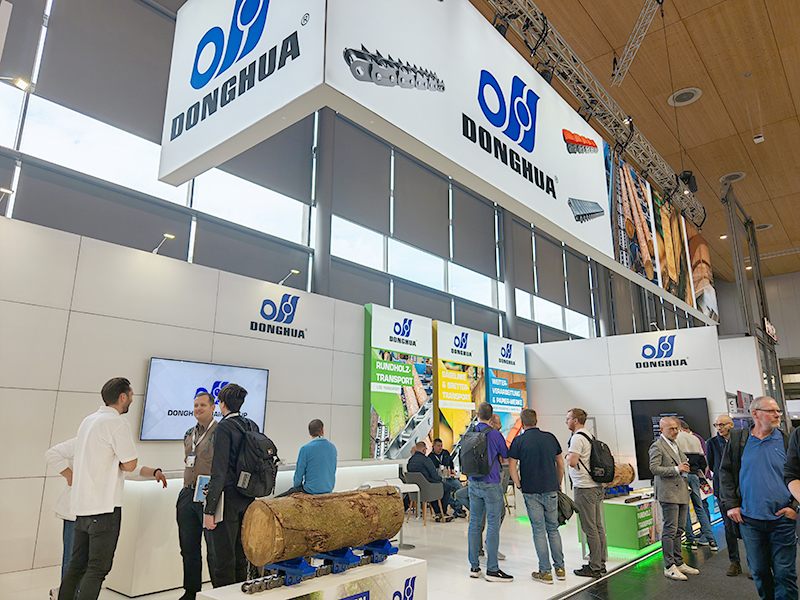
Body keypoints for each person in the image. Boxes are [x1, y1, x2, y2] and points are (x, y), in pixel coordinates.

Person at [58, 377, 167, 600]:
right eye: (131, 396)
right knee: (97, 569)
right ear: (122, 397)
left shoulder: (88, 421)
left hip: (81, 508)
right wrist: (120, 463)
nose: (132, 400)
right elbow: (130, 464)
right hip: (104, 508)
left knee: (76, 566)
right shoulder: (117, 423)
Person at [720, 397, 797, 600]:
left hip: (783, 519)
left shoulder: (787, 440)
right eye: (771, 411)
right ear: (755, 414)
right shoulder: (738, 441)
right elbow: (725, 474)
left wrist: (795, 506)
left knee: (785, 573)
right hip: (750, 519)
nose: (777, 415)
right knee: (759, 571)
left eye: (778, 411)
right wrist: (732, 505)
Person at [203, 383, 261, 587]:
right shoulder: (252, 425)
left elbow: (219, 472)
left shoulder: (224, 428)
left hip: (227, 499)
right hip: (248, 497)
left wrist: (209, 509)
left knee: (222, 558)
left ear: (222, 404)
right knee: (241, 555)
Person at [508, 409, 565, 584]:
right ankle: (560, 568)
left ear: (522, 423)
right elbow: (560, 463)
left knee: (539, 531)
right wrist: (558, 483)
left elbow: (512, 466)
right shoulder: (550, 438)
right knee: (553, 529)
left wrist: (518, 484)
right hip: (551, 488)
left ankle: (545, 572)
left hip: (531, 491)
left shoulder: (518, 441)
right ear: (536, 420)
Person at [177, 392, 218, 600]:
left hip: (209, 496)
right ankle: (191, 591)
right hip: (188, 494)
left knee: (213, 549)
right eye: (195, 405)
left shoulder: (219, 433)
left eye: (202, 405)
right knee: (188, 547)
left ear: (213, 407)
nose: (198, 409)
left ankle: (219, 592)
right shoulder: (189, 433)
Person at [467, 402, 513, 582]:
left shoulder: (470, 432)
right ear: (492, 416)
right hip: (491, 482)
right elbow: (505, 457)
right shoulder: (495, 434)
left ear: (478, 414)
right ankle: (492, 569)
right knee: (493, 524)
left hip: (473, 483)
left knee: (474, 523)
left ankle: (474, 567)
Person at [650, 417, 699, 581]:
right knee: (670, 530)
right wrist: (676, 469)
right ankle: (669, 565)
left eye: (676, 428)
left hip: (681, 491)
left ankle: (679, 562)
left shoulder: (675, 444)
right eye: (671, 429)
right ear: (661, 429)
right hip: (668, 493)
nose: (675, 431)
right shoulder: (657, 446)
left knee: (679, 529)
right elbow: (654, 468)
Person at [565, 408, 607, 578]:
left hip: (584, 488)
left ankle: (594, 566)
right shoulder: (589, 436)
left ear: (575, 420)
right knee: (597, 527)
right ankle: (600, 562)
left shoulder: (577, 438)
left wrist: (568, 456)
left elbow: (572, 462)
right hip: (596, 486)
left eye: (568, 418)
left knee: (590, 528)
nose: (566, 421)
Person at [706, 414, 742, 576]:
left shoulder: (741, 440)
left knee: (748, 527)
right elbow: (713, 466)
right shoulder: (712, 443)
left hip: (742, 488)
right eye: (717, 425)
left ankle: (754, 563)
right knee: (728, 527)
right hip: (723, 490)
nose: (719, 428)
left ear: (731, 425)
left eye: (722, 424)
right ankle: (734, 561)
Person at [676, 420, 717, 550]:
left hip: (682, 476)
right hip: (695, 476)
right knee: (699, 507)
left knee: (685, 508)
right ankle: (711, 540)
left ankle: (691, 540)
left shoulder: (676, 439)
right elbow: (703, 462)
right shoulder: (695, 439)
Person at [45, 437, 77, 600]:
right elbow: (52, 454)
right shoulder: (80, 440)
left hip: (95, 511)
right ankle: (67, 594)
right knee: (72, 558)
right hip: (74, 512)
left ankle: (74, 593)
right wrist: (70, 476)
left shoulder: (110, 445)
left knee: (86, 559)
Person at [278, 419, 337, 496]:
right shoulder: (332, 447)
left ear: (309, 433)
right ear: (322, 430)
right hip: (328, 490)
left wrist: (296, 489)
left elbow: (298, 475)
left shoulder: (305, 449)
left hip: (310, 491)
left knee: (277, 498)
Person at [407, 441, 451, 522]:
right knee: (447, 486)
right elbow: (434, 476)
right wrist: (440, 479)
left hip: (415, 492)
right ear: (424, 450)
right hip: (427, 490)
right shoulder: (426, 460)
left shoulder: (410, 461)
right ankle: (442, 512)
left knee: (433, 486)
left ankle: (438, 513)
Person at [428, 439, 466, 517]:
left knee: (459, 486)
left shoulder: (446, 453)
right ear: (433, 446)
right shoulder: (430, 457)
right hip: (439, 480)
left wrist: (452, 471)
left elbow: (451, 464)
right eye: (438, 446)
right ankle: (457, 508)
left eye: (441, 446)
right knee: (447, 490)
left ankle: (458, 507)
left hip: (449, 478)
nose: (440, 448)